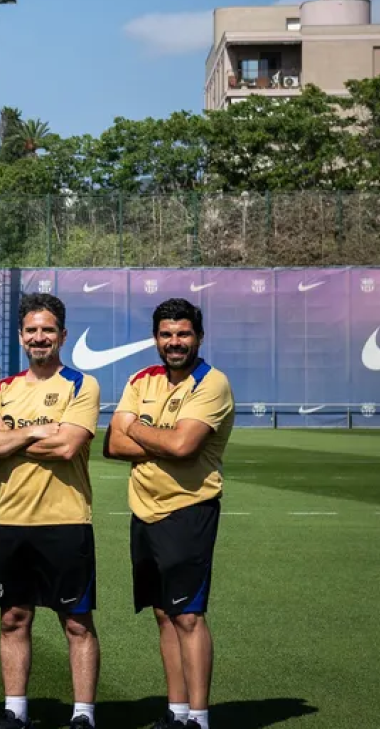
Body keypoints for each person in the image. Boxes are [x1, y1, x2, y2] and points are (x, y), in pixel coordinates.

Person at [105, 299, 235, 729]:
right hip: (142, 511)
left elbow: (184, 447)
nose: (174, 342)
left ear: (198, 336)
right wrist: (161, 436)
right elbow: (111, 445)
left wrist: (138, 429)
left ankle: (199, 717)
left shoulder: (211, 384)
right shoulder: (142, 379)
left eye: (183, 334)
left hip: (187, 510)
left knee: (188, 616)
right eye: (166, 334)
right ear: (156, 338)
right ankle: (176, 712)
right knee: (163, 612)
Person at [0, 293, 102, 729]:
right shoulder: (2, 389)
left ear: (62, 335)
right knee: (13, 618)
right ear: (22, 336)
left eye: (48, 330)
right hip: (10, 522)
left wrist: (14, 436)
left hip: (66, 521)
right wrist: (38, 429)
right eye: (32, 330)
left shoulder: (81, 385)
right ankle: (15, 712)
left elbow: (67, 446)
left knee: (76, 623)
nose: (39, 337)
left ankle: (82, 715)